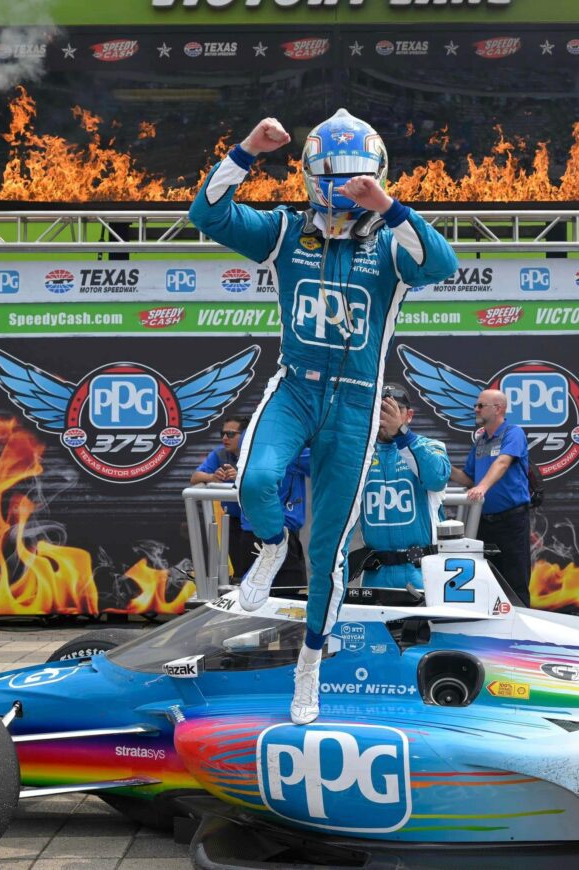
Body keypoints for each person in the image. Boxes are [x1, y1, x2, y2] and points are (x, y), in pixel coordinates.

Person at [189, 109, 458, 724]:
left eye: (357, 177)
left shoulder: (393, 240)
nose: (344, 187)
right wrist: (247, 149)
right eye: (334, 177)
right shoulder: (286, 229)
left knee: (330, 547)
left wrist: (388, 206)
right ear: (311, 176)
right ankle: (268, 544)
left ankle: (310, 663)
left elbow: (442, 265)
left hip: (357, 400)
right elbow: (207, 214)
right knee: (256, 480)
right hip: (297, 386)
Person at [356, 384, 450, 589]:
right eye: (381, 409)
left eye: (396, 409)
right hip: (376, 575)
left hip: (422, 571)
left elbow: (437, 478)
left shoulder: (431, 445)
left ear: (409, 415)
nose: (388, 415)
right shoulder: (359, 454)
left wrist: (402, 434)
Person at [449, 389, 532, 605]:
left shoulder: (513, 433)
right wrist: (439, 465)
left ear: (498, 409)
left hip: (511, 521)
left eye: (480, 405)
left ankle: (522, 630)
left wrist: (483, 487)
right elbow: (469, 479)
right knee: (487, 581)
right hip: (483, 523)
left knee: (515, 580)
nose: (475, 409)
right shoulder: (481, 441)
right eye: (476, 405)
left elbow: (503, 463)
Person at [240, 449, 311, 588]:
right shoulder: (292, 450)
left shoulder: (252, 445)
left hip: (250, 530)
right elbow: (329, 464)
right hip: (280, 533)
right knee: (290, 595)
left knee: (251, 590)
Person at [190, 416, 250, 578]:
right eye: (222, 433)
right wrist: (211, 477)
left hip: (257, 520)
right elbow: (195, 477)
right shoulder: (219, 454)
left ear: (245, 435)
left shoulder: (257, 453)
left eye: (230, 434)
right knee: (239, 571)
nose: (224, 438)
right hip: (234, 520)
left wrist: (241, 477)